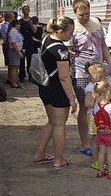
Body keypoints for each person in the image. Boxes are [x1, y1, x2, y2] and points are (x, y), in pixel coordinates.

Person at [67, 0, 111, 157]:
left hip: (100, 71)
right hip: (81, 72)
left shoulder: (96, 22)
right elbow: (69, 51)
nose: (85, 17)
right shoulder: (72, 29)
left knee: (103, 104)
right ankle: (85, 142)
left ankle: (101, 139)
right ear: (75, 13)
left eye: (87, 13)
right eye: (82, 15)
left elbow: (103, 45)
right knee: (85, 106)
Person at [33, 16, 78, 169]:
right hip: (57, 90)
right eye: (70, 33)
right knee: (59, 125)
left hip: (44, 87)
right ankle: (59, 160)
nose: (71, 36)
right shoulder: (60, 49)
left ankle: (40, 154)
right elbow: (64, 77)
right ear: (60, 31)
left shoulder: (46, 39)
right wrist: (72, 99)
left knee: (51, 122)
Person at [83, 63, 111, 170]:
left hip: (104, 115)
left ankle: (108, 157)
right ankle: (96, 160)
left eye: (104, 76)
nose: (103, 79)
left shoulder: (102, 86)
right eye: (100, 77)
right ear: (93, 77)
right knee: (96, 138)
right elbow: (87, 103)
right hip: (94, 117)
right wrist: (97, 102)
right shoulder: (90, 88)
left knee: (107, 136)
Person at [90, 79, 111, 179]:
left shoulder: (96, 106)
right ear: (108, 93)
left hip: (100, 132)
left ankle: (100, 171)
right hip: (110, 133)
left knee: (101, 152)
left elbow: (94, 115)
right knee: (110, 152)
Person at [18, 5, 38, 83]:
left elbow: (35, 31)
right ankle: (22, 75)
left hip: (30, 42)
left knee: (30, 59)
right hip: (22, 42)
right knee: (22, 59)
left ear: (29, 10)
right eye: (23, 9)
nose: (25, 11)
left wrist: (31, 24)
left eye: (26, 9)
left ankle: (30, 75)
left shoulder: (32, 20)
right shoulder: (20, 21)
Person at [7, 19, 23, 88]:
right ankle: (13, 82)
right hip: (14, 51)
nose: (20, 26)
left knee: (14, 66)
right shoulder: (13, 32)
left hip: (15, 51)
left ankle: (12, 80)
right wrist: (19, 52)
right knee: (15, 67)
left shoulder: (15, 31)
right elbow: (13, 43)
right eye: (19, 24)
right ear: (16, 25)